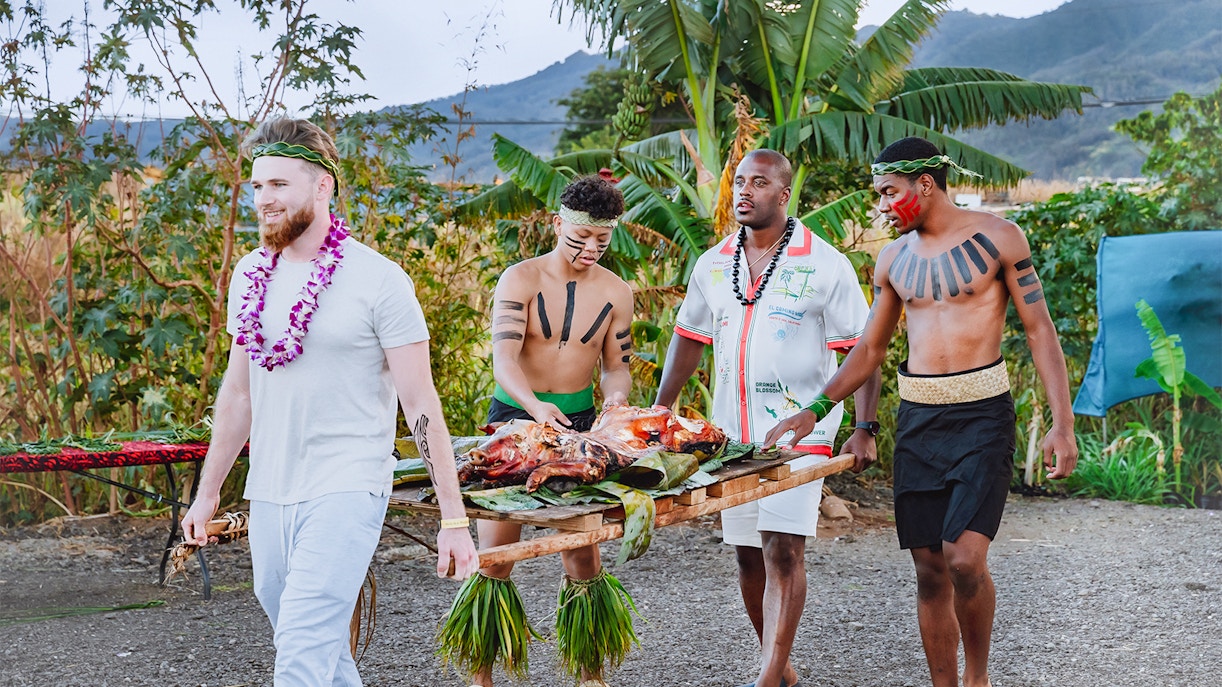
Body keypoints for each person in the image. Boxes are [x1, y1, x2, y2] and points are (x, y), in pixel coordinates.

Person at [764, 136, 1079, 687]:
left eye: (888, 193)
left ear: (925, 185)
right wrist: (818, 410)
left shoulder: (1000, 238)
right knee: (930, 569)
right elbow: (871, 349)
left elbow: (1039, 330)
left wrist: (1062, 423)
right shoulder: (893, 259)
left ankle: (977, 678)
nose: (880, 206)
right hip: (918, 420)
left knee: (964, 560)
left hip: (982, 416)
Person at [180, 117, 479, 686]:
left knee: (300, 646)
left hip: (348, 482)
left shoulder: (379, 280)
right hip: (270, 486)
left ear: (322, 187)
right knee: (316, 648)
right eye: (257, 186)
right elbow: (239, 392)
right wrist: (208, 493)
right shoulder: (250, 275)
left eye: (278, 185)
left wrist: (453, 517)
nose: (263, 200)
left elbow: (420, 402)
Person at [654, 149, 882, 687]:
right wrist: (660, 409)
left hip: (802, 432)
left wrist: (864, 427)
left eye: (759, 183)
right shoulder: (713, 263)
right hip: (732, 439)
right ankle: (780, 670)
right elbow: (688, 340)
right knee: (747, 556)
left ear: (783, 195)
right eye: (739, 182)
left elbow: (862, 351)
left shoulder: (825, 263)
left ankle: (768, 676)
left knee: (783, 548)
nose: (744, 191)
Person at [439, 175, 638, 687]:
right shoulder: (520, 279)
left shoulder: (617, 292)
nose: (590, 249)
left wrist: (616, 398)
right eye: (580, 238)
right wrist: (532, 407)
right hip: (514, 420)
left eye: (601, 240)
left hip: (580, 428)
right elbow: (503, 359)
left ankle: (590, 674)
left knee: (582, 553)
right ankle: (481, 676)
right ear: (557, 224)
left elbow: (617, 366)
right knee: (497, 555)